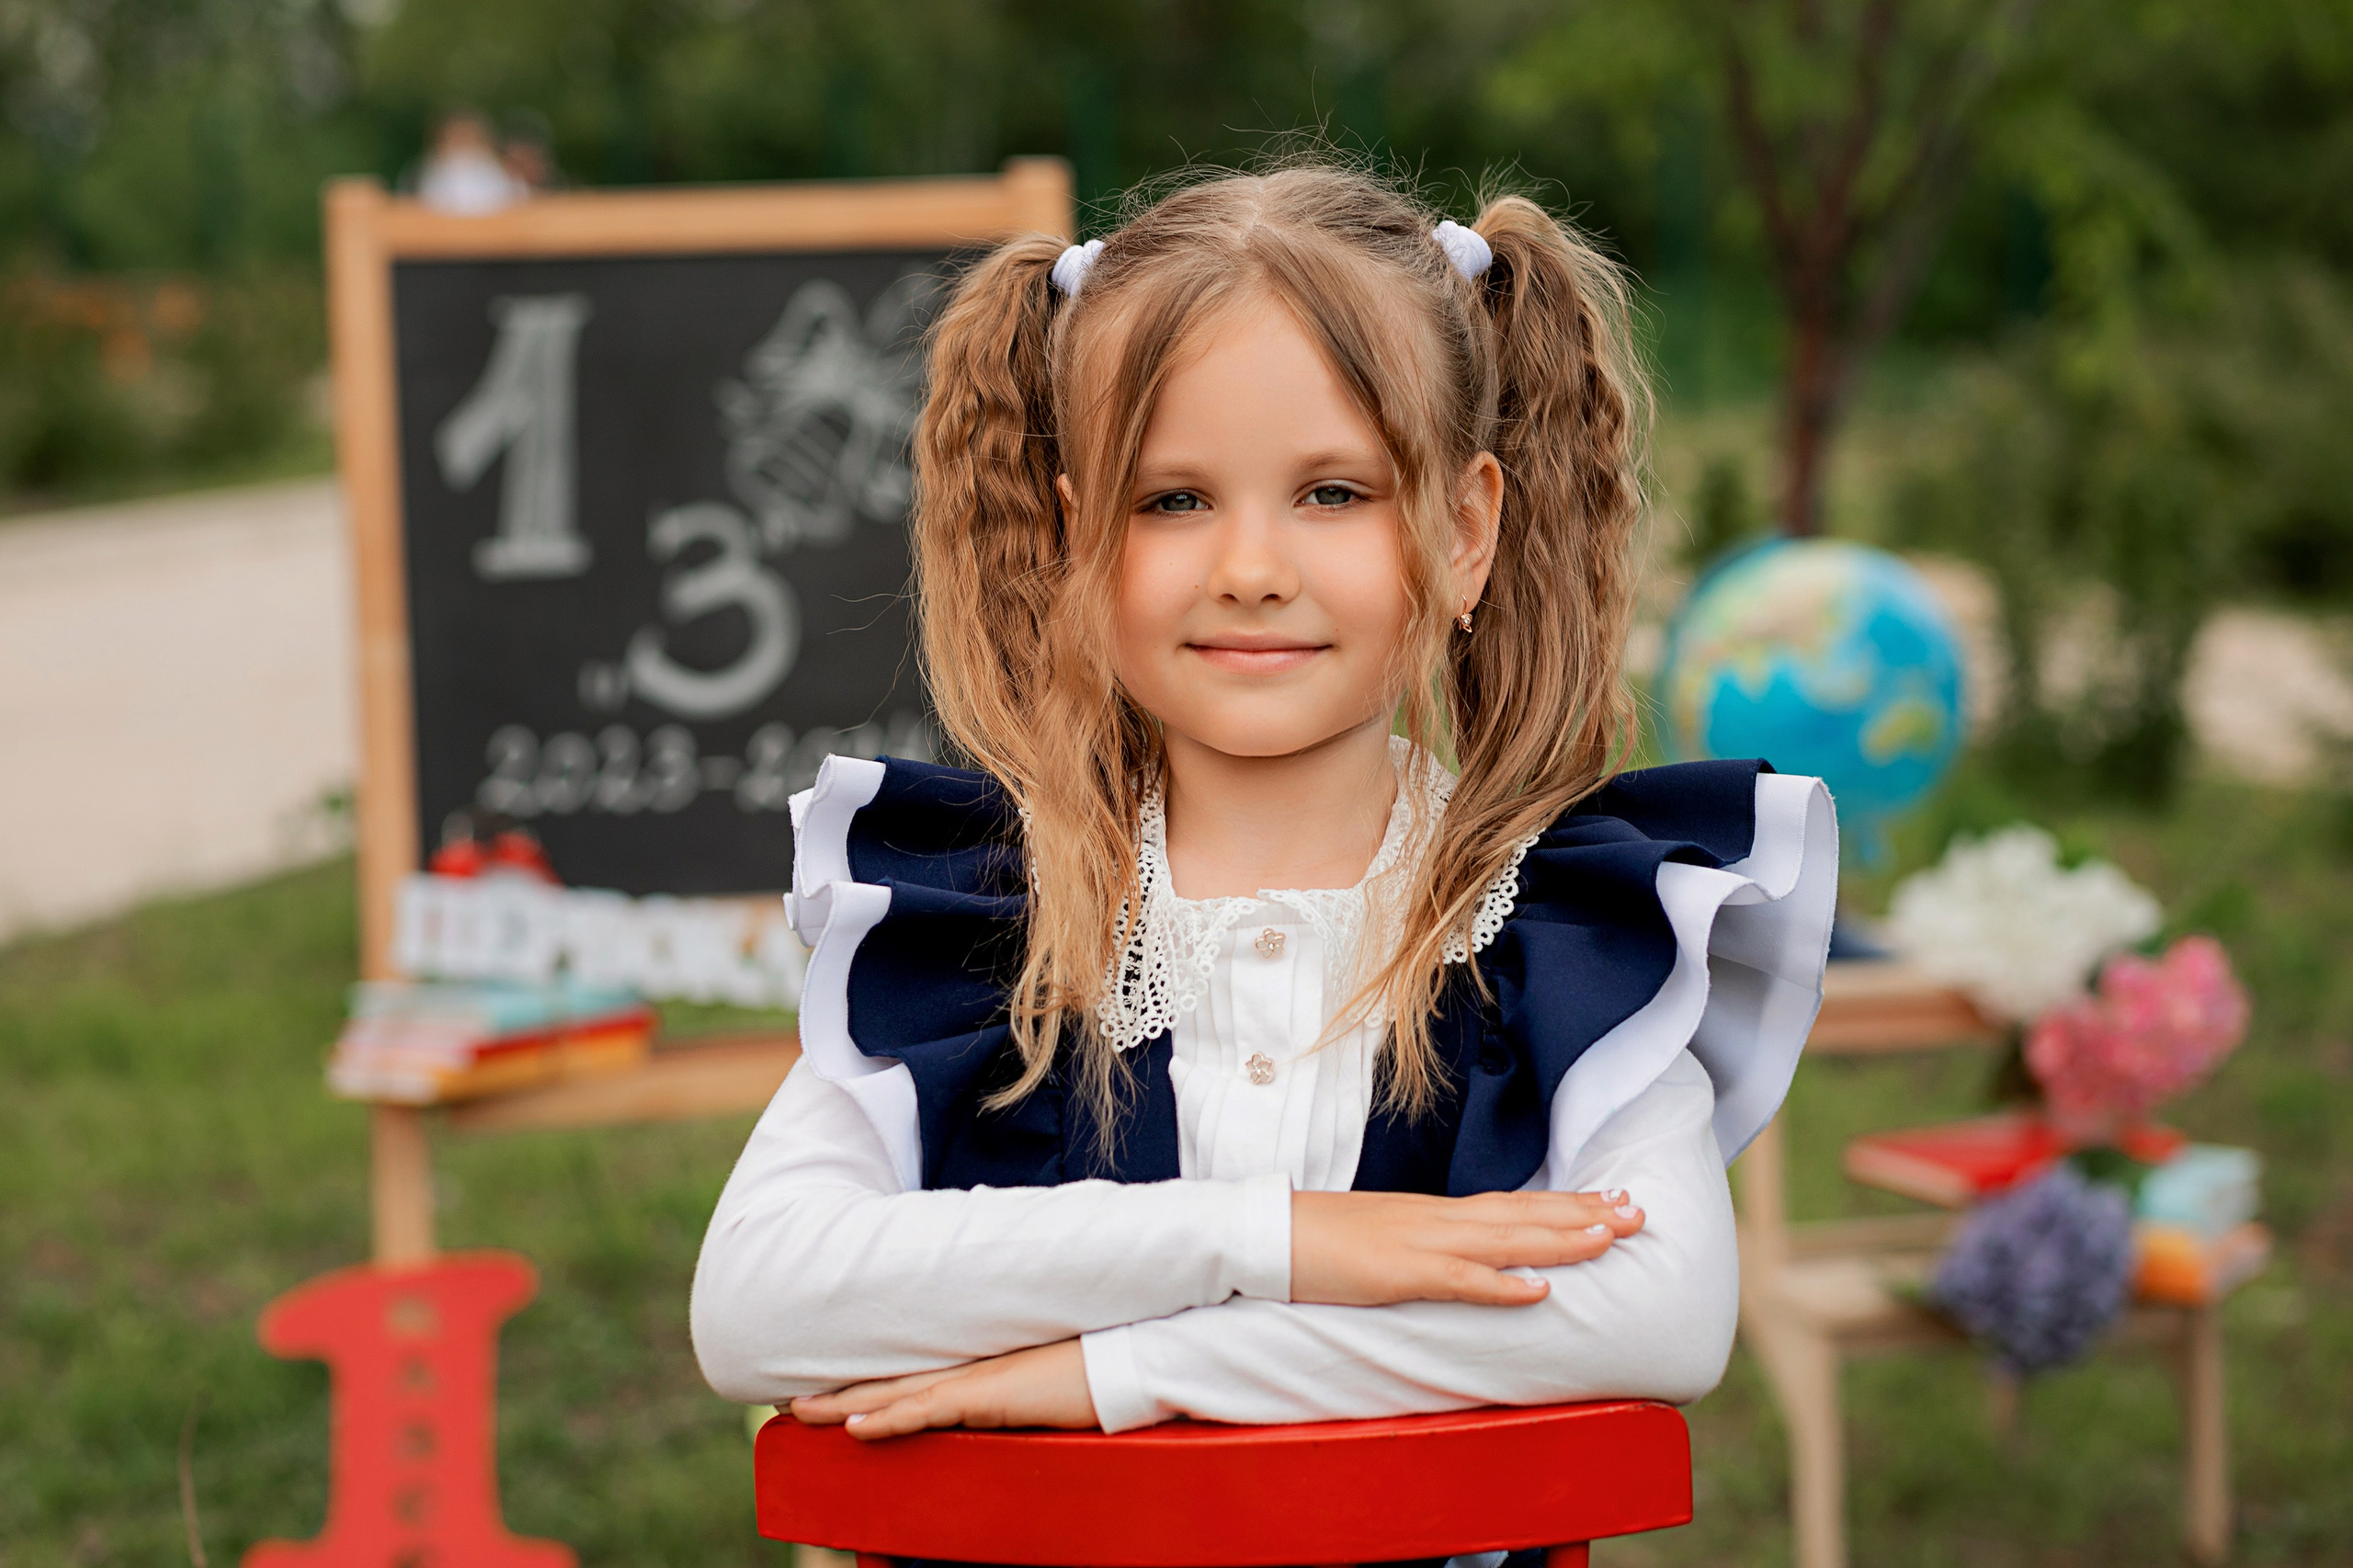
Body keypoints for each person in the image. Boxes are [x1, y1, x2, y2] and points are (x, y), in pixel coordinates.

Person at [690, 164, 1836, 1444]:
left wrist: (1127, 1374)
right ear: (1079, 544)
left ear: (1465, 531)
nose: (1248, 569)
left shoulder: (1561, 921)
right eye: (1172, 500)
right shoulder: (981, 916)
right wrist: (1276, 1237)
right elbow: (755, 1301)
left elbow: (1658, 1312)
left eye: (1332, 492)